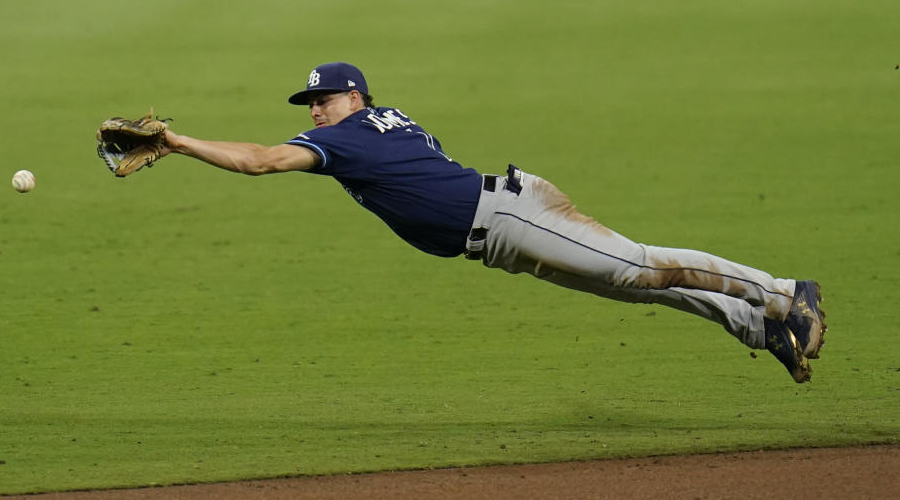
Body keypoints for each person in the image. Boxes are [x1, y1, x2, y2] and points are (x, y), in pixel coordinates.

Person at [159, 62, 827, 383]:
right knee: (634, 282)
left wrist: (179, 142)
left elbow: (259, 161)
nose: (314, 112)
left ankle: (784, 294)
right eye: (310, 103)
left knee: (640, 266)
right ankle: (758, 325)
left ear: (355, 97)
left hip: (508, 217)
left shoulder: (356, 134)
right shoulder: (377, 125)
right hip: (506, 222)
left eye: (322, 99)